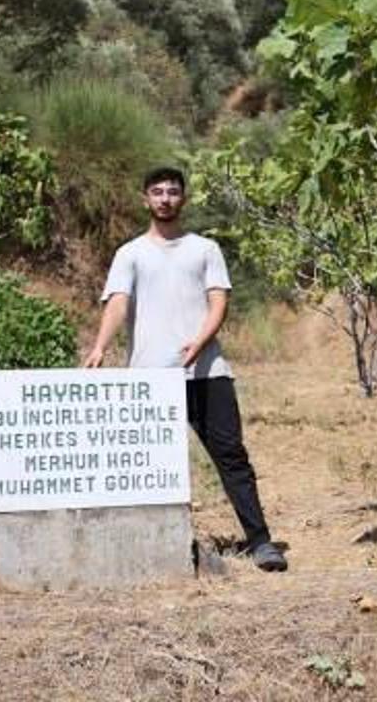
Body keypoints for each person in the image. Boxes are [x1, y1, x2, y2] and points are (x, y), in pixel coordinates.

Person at [83, 166, 287, 572]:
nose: (164, 199)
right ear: (145, 199)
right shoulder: (131, 253)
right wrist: (100, 347)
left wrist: (200, 342)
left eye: (172, 192)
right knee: (146, 464)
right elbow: (118, 302)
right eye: (156, 192)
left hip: (208, 373)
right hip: (150, 380)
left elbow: (218, 302)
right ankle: (145, 546)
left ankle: (262, 542)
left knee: (231, 456)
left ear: (184, 199)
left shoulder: (205, 249)